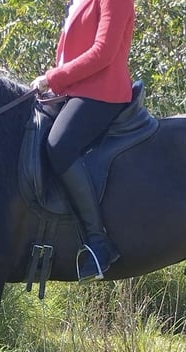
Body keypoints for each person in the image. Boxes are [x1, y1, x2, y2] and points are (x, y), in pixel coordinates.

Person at [31, 0, 136, 283]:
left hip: (102, 92)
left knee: (59, 145)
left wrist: (52, 78)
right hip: (74, 92)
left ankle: (98, 243)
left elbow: (104, 53)